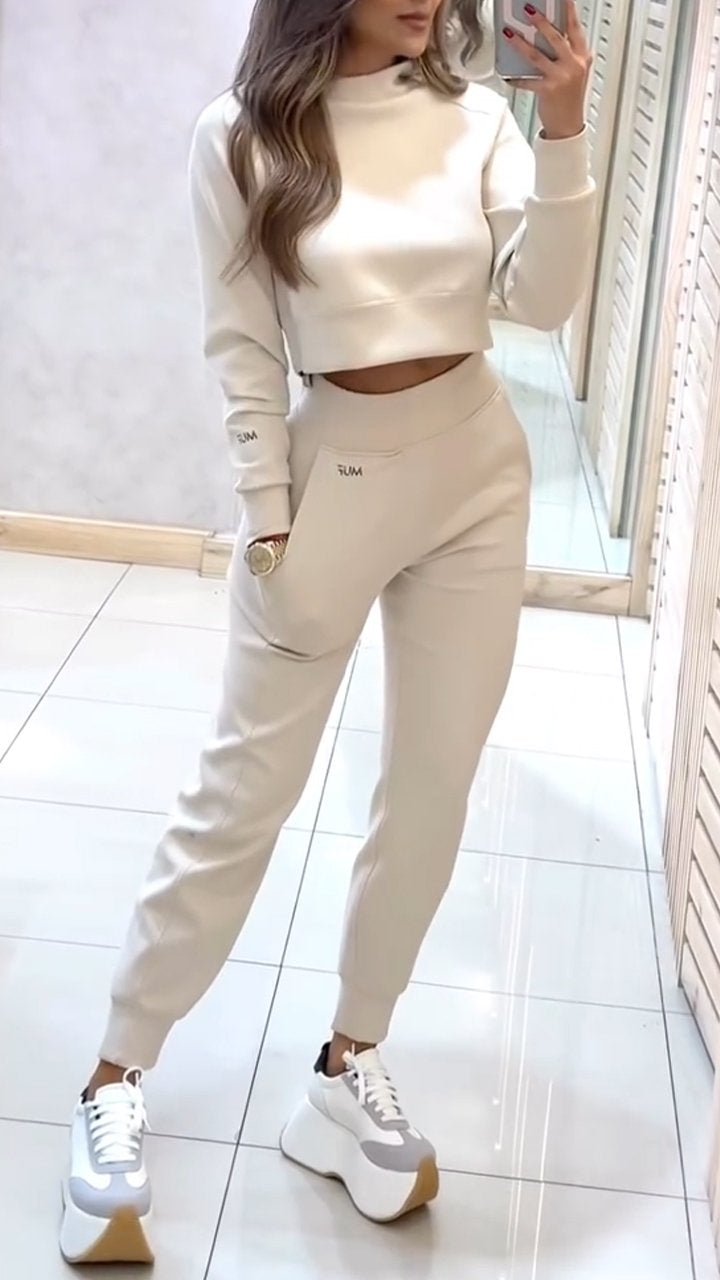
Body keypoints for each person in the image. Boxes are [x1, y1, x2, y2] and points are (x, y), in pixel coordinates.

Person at [59, 0, 594, 1264]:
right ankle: (112, 1075)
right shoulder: (242, 137)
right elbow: (241, 343)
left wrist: (565, 127)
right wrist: (268, 518)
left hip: (476, 473)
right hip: (330, 485)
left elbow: (541, 300)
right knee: (244, 791)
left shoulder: (473, 118)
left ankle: (348, 1063)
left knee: (432, 788)